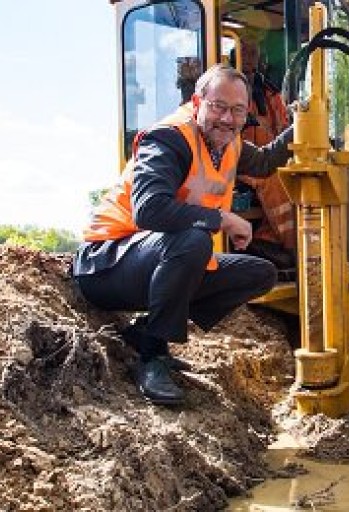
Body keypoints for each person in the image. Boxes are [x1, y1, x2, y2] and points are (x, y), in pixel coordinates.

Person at [72, 64, 294, 406]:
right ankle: (152, 357)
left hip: (158, 260)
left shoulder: (229, 144)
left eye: (237, 110)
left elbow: (264, 162)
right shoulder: (169, 138)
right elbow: (149, 210)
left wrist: (305, 123)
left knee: (260, 272)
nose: (227, 118)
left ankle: (146, 330)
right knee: (194, 240)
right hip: (106, 263)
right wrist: (221, 218)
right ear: (197, 101)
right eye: (218, 106)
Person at [236, 39, 296, 268]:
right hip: (239, 162)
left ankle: (267, 240)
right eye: (244, 52)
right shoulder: (230, 92)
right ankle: (293, 248)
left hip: (265, 158)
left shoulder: (270, 94)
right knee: (273, 180)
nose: (249, 57)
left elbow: (282, 126)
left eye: (253, 52)